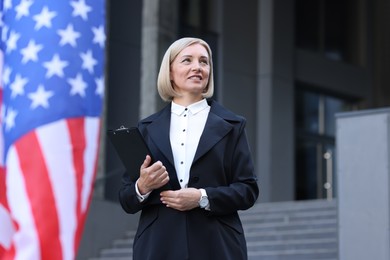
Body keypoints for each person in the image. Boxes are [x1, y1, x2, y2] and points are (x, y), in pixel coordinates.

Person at [119, 37, 259, 260]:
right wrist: (142, 186)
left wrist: (202, 197)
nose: (197, 67)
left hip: (217, 244)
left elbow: (248, 190)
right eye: (187, 60)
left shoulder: (233, 125)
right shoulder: (146, 128)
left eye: (204, 61)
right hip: (158, 246)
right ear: (170, 71)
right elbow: (126, 198)